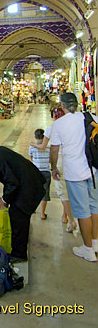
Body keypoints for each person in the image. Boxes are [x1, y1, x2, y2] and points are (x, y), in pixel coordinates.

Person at [50, 92, 98, 262]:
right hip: (93, 169)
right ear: (77, 104)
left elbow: (54, 150)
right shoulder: (90, 116)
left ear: (62, 106)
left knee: (83, 211)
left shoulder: (59, 124)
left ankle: (88, 249)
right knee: (95, 207)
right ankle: (95, 242)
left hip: (75, 172)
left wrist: (54, 167)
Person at [29, 107, 77, 233]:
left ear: (53, 117)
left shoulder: (52, 128)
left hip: (60, 163)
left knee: (62, 192)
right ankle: (64, 216)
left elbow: (44, 146)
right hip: (73, 162)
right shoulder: (73, 126)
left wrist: (33, 145)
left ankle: (72, 220)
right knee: (70, 190)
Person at [29, 129, 51, 220]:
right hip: (46, 172)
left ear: (35, 136)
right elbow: (50, 159)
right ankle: (42, 214)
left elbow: (31, 158)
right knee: (44, 193)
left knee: (34, 191)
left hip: (36, 172)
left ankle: (33, 209)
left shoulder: (32, 148)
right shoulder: (48, 148)